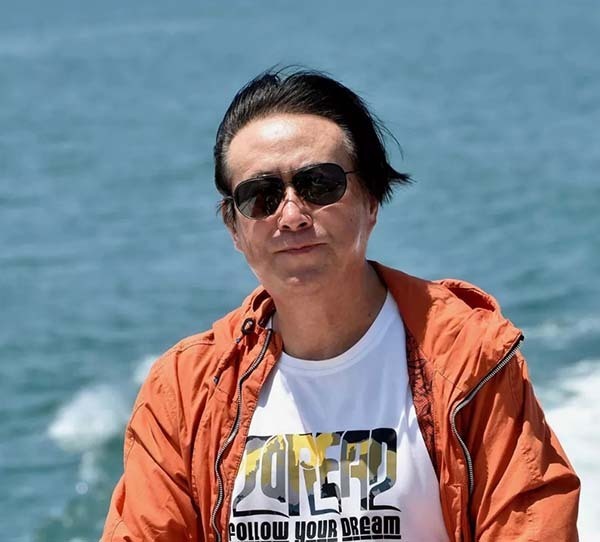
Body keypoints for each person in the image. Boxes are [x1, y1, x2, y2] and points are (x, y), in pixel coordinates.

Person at [101, 69, 580, 542]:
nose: (291, 215)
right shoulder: (185, 391)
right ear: (234, 228)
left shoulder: (470, 361)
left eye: (319, 185)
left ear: (371, 200)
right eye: (262, 196)